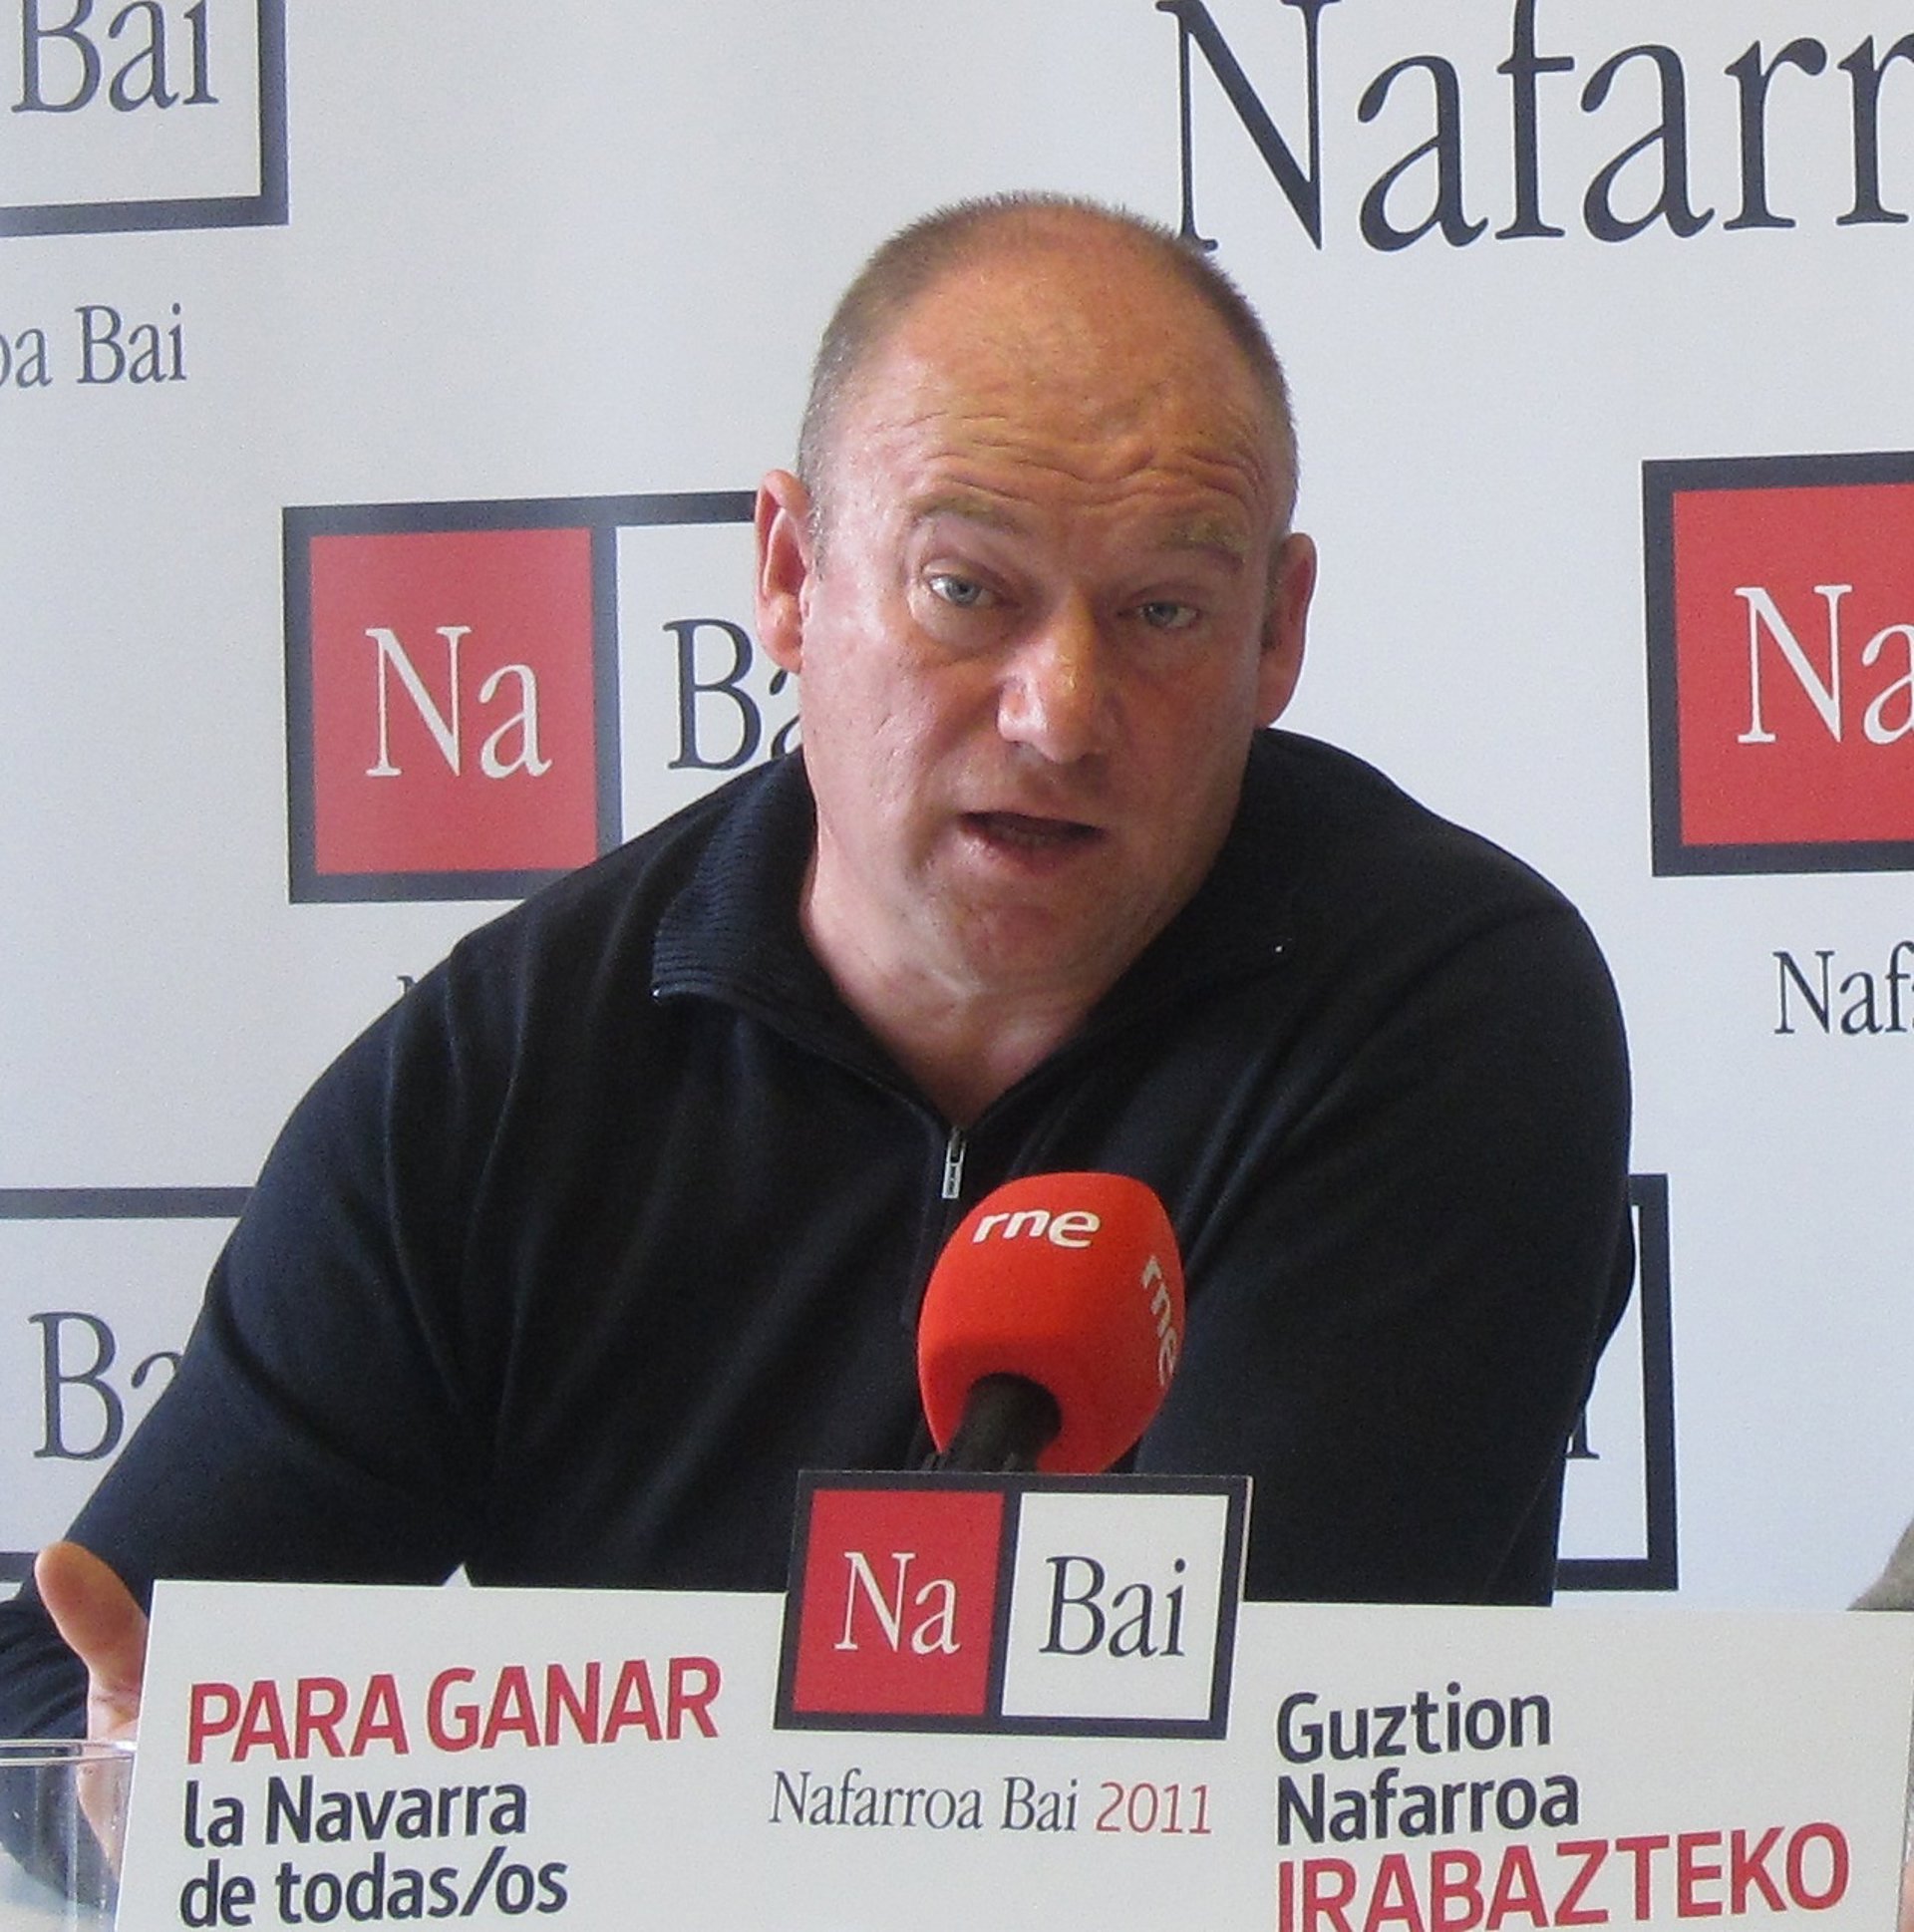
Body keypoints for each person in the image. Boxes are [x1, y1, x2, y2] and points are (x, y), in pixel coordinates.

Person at [0, 193, 1634, 1757]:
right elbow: (85, 1680)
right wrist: (131, 1775)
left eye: (1162, 610)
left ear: (1276, 633)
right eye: (966, 590)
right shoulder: (502, 1072)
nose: (1061, 712)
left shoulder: (1448, 1009)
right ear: (788, 575)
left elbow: (1233, 1753)